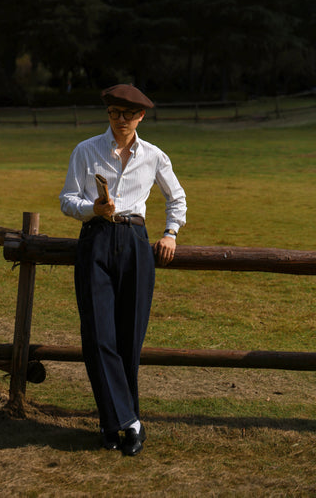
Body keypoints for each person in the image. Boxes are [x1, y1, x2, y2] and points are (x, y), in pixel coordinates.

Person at [59, 84, 187, 456]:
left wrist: (170, 233)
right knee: (98, 337)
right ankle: (130, 423)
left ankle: (110, 423)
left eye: (128, 115)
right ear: (108, 113)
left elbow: (176, 197)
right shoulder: (85, 150)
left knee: (129, 338)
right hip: (95, 240)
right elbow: (68, 199)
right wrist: (92, 209)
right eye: (115, 113)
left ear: (141, 117)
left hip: (135, 242)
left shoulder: (155, 156)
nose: (121, 121)